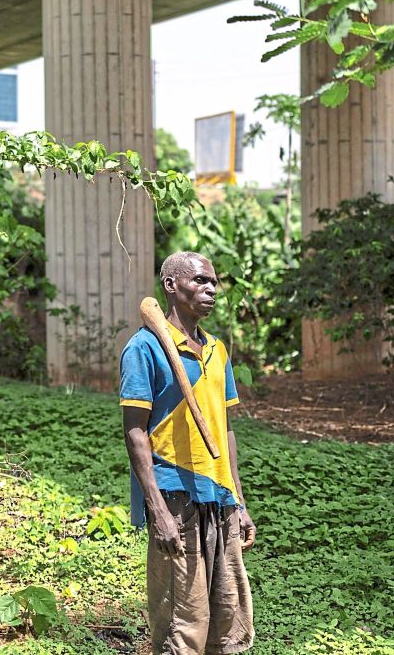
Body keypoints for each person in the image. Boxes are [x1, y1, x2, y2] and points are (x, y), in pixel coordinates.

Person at [120, 251, 255, 654]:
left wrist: (239, 500)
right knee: (183, 624)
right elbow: (135, 433)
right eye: (199, 280)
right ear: (171, 286)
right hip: (175, 499)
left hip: (219, 498)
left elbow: (224, 430)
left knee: (227, 619)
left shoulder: (217, 350)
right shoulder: (144, 349)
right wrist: (156, 509)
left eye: (214, 282)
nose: (211, 288)